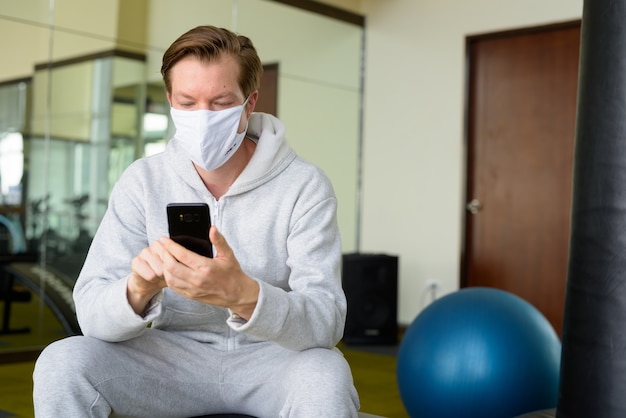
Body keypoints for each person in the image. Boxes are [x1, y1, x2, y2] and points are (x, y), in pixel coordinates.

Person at [33, 25, 360, 417]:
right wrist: (137, 290)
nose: (202, 118)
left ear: (249, 102)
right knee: (62, 361)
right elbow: (90, 313)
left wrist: (245, 295)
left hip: (272, 361)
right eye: (187, 103)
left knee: (327, 374)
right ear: (170, 99)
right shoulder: (143, 181)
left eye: (221, 103)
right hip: (171, 360)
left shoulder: (304, 186)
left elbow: (326, 321)